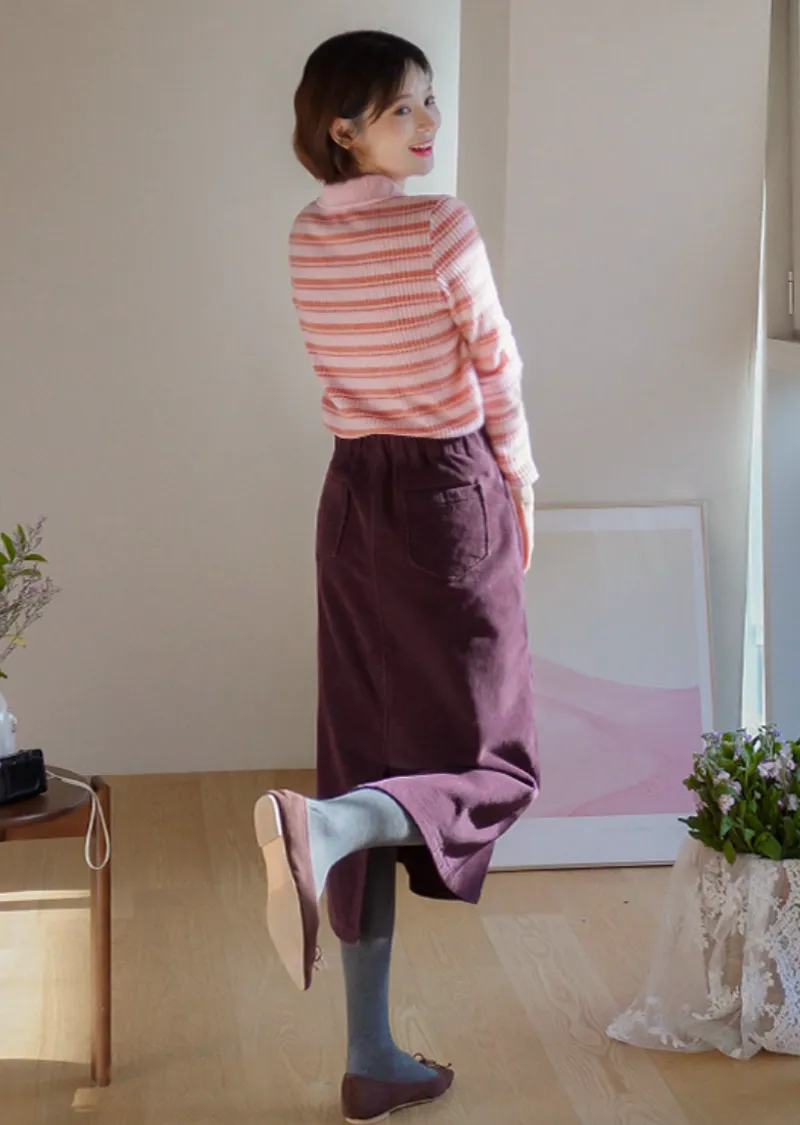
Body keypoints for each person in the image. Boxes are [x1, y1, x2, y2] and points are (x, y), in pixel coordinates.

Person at [254, 29, 539, 1124]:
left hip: (350, 500)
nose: (428, 124)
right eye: (402, 109)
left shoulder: (306, 235)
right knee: (495, 765)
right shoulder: (438, 224)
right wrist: (520, 487)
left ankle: (371, 1054)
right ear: (342, 127)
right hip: (445, 494)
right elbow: (495, 367)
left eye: (429, 102)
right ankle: (321, 830)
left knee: (364, 764)